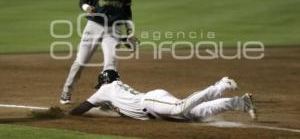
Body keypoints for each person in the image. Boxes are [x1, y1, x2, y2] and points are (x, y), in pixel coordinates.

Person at [60, 0, 139, 104]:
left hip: (114, 29)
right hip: (94, 25)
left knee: (111, 67)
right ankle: (66, 91)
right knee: (80, 62)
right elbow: (82, 0)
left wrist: (130, 31)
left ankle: (108, 100)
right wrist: (86, 8)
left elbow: (127, 9)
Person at [69, 70, 257, 121]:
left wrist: (67, 115)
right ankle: (240, 102)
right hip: (154, 108)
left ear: (103, 81)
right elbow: (112, 107)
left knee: (180, 108)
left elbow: (84, 107)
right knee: (196, 114)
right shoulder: (115, 90)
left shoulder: (105, 89)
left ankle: (220, 85)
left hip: (150, 101)